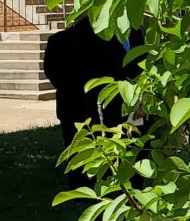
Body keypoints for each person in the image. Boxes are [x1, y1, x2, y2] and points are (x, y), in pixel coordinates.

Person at [43, 16, 138, 189]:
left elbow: (52, 73)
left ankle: (88, 185)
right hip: (79, 104)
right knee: (81, 147)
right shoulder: (64, 41)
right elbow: (55, 73)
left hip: (94, 103)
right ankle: (89, 185)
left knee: (82, 146)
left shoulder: (130, 35)